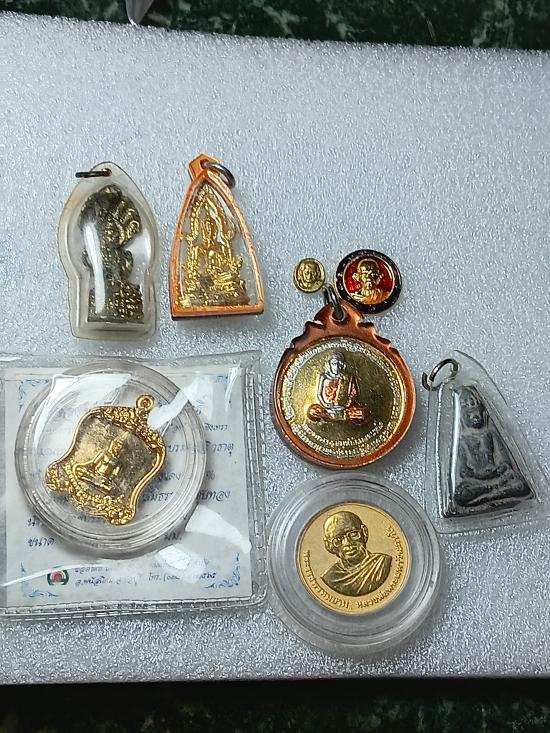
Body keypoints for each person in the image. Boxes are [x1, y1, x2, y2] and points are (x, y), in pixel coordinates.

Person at [452, 386, 532, 511]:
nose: (475, 417)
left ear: (484, 413)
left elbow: (505, 460)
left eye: (477, 413)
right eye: (470, 414)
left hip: (498, 477)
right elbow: (463, 470)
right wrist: (475, 475)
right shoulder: (462, 440)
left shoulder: (492, 434)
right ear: (463, 417)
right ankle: (492, 492)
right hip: (476, 482)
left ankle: (486, 497)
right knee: (462, 495)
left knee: (519, 484)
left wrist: (501, 469)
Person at [321, 511, 392, 596]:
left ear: (364, 532)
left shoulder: (382, 563)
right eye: (338, 539)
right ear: (329, 545)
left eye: (353, 534)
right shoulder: (330, 577)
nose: (347, 543)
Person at [307, 351, 369, 424]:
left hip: (345, 408)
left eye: (339, 364)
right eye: (334, 363)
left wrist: (346, 405)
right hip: (326, 409)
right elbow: (319, 394)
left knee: (362, 413)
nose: (336, 366)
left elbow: (354, 395)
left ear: (343, 365)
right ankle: (325, 417)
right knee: (312, 411)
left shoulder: (348, 378)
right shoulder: (324, 377)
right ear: (329, 365)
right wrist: (325, 404)